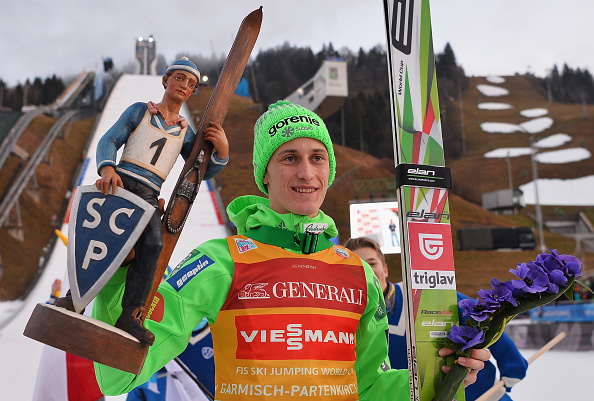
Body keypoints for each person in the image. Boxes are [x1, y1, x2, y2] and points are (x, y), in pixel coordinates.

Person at [93, 100, 489, 400]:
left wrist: (438, 378)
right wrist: (121, 270)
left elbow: (367, 387)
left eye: (318, 158)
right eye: (289, 158)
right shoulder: (222, 261)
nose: (306, 172)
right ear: (264, 173)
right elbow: (117, 375)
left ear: (329, 172)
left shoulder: (358, 274)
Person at [57, 57, 229, 346]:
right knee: (103, 236)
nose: (183, 86)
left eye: (191, 84)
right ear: (165, 80)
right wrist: (107, 168)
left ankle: (131, 314)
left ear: (193, 92)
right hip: (121, 183)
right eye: (179, 78)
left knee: (152, 245)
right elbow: (109, 140)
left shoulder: (185, 133)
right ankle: (75, 297)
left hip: (149, 194)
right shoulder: (140, 111)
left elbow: (198, 172)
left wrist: (221, 153)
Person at [344, 236, 528, 401]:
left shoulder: (421, 294)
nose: (366, 271)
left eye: (372, 263)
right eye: (357, 266)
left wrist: (513, 365)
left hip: (481, 393)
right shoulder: (347, 320)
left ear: (385, 269)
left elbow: (484, 319)